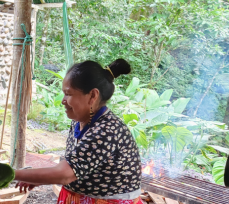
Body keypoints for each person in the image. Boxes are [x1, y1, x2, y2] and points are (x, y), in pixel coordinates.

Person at [14, 59, 143, 204]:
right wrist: (40, 178)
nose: (63, 100)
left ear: (93, 96)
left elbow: (65, 174)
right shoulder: (79, 121)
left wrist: (10, 174)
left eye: (68, 94)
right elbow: (75, 164)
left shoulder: (107, 130)